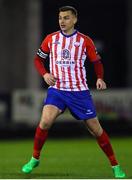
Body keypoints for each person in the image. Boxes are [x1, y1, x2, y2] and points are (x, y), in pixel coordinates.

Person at [22, 6, 126, 178]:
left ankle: (115, 165)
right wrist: (45, 74)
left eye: (66, 18)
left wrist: (100, 78)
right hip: (57, 90)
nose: (62, 21)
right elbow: (38, 59)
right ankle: (35, 158)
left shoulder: (85, 41)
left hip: (79, 92)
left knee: (96, 130)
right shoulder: (51, 39)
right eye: (60, 18)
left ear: (75, 20)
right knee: (45, 121)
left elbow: (96, 62)